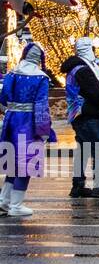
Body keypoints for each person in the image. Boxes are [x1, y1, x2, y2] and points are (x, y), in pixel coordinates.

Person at [0, 39, 55, 217]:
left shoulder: (12, 74)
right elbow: (41, 105)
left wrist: (10, 109)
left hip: (11, 120)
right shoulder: (41, 77)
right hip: (28, 123)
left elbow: (3, 98)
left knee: (12, 163)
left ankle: (4, 201)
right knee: (27, 163)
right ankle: (16, 205)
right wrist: (45, 130)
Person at [63, 38, 99, 198]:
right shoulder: (84, 70)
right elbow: (96, 93)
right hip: (88, 115)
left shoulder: (76, 68)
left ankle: (78, 185)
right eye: (93, 49)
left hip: (79, 115)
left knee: (83, 150)